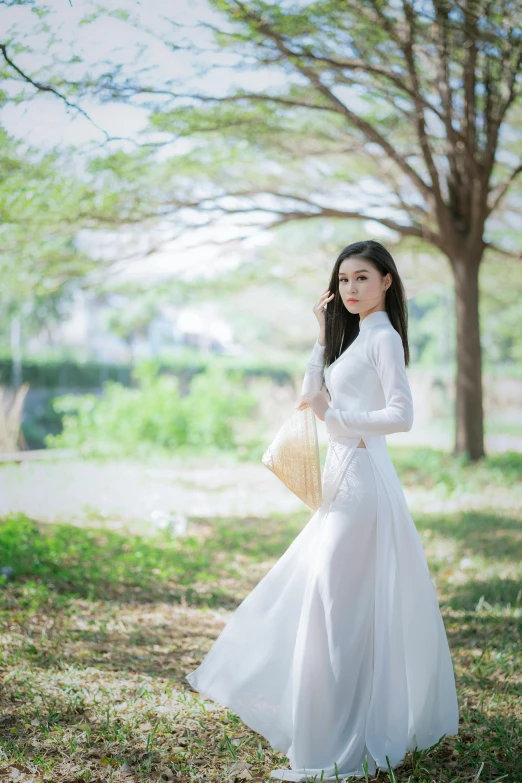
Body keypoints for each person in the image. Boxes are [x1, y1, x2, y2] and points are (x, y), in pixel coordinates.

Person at [185, 240, 459, 781]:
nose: (350, 289)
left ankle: (341, 743)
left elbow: (401, 416)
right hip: (341, 484)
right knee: (327, 603)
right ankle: (329, 731)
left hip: (363, 486)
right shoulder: (356, 337)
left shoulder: (383, 337)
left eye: (362, 278)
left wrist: (338, 417)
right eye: (343, 280)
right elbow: (310, 395)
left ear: (386, 281)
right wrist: (320, 338)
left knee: (338, 611)